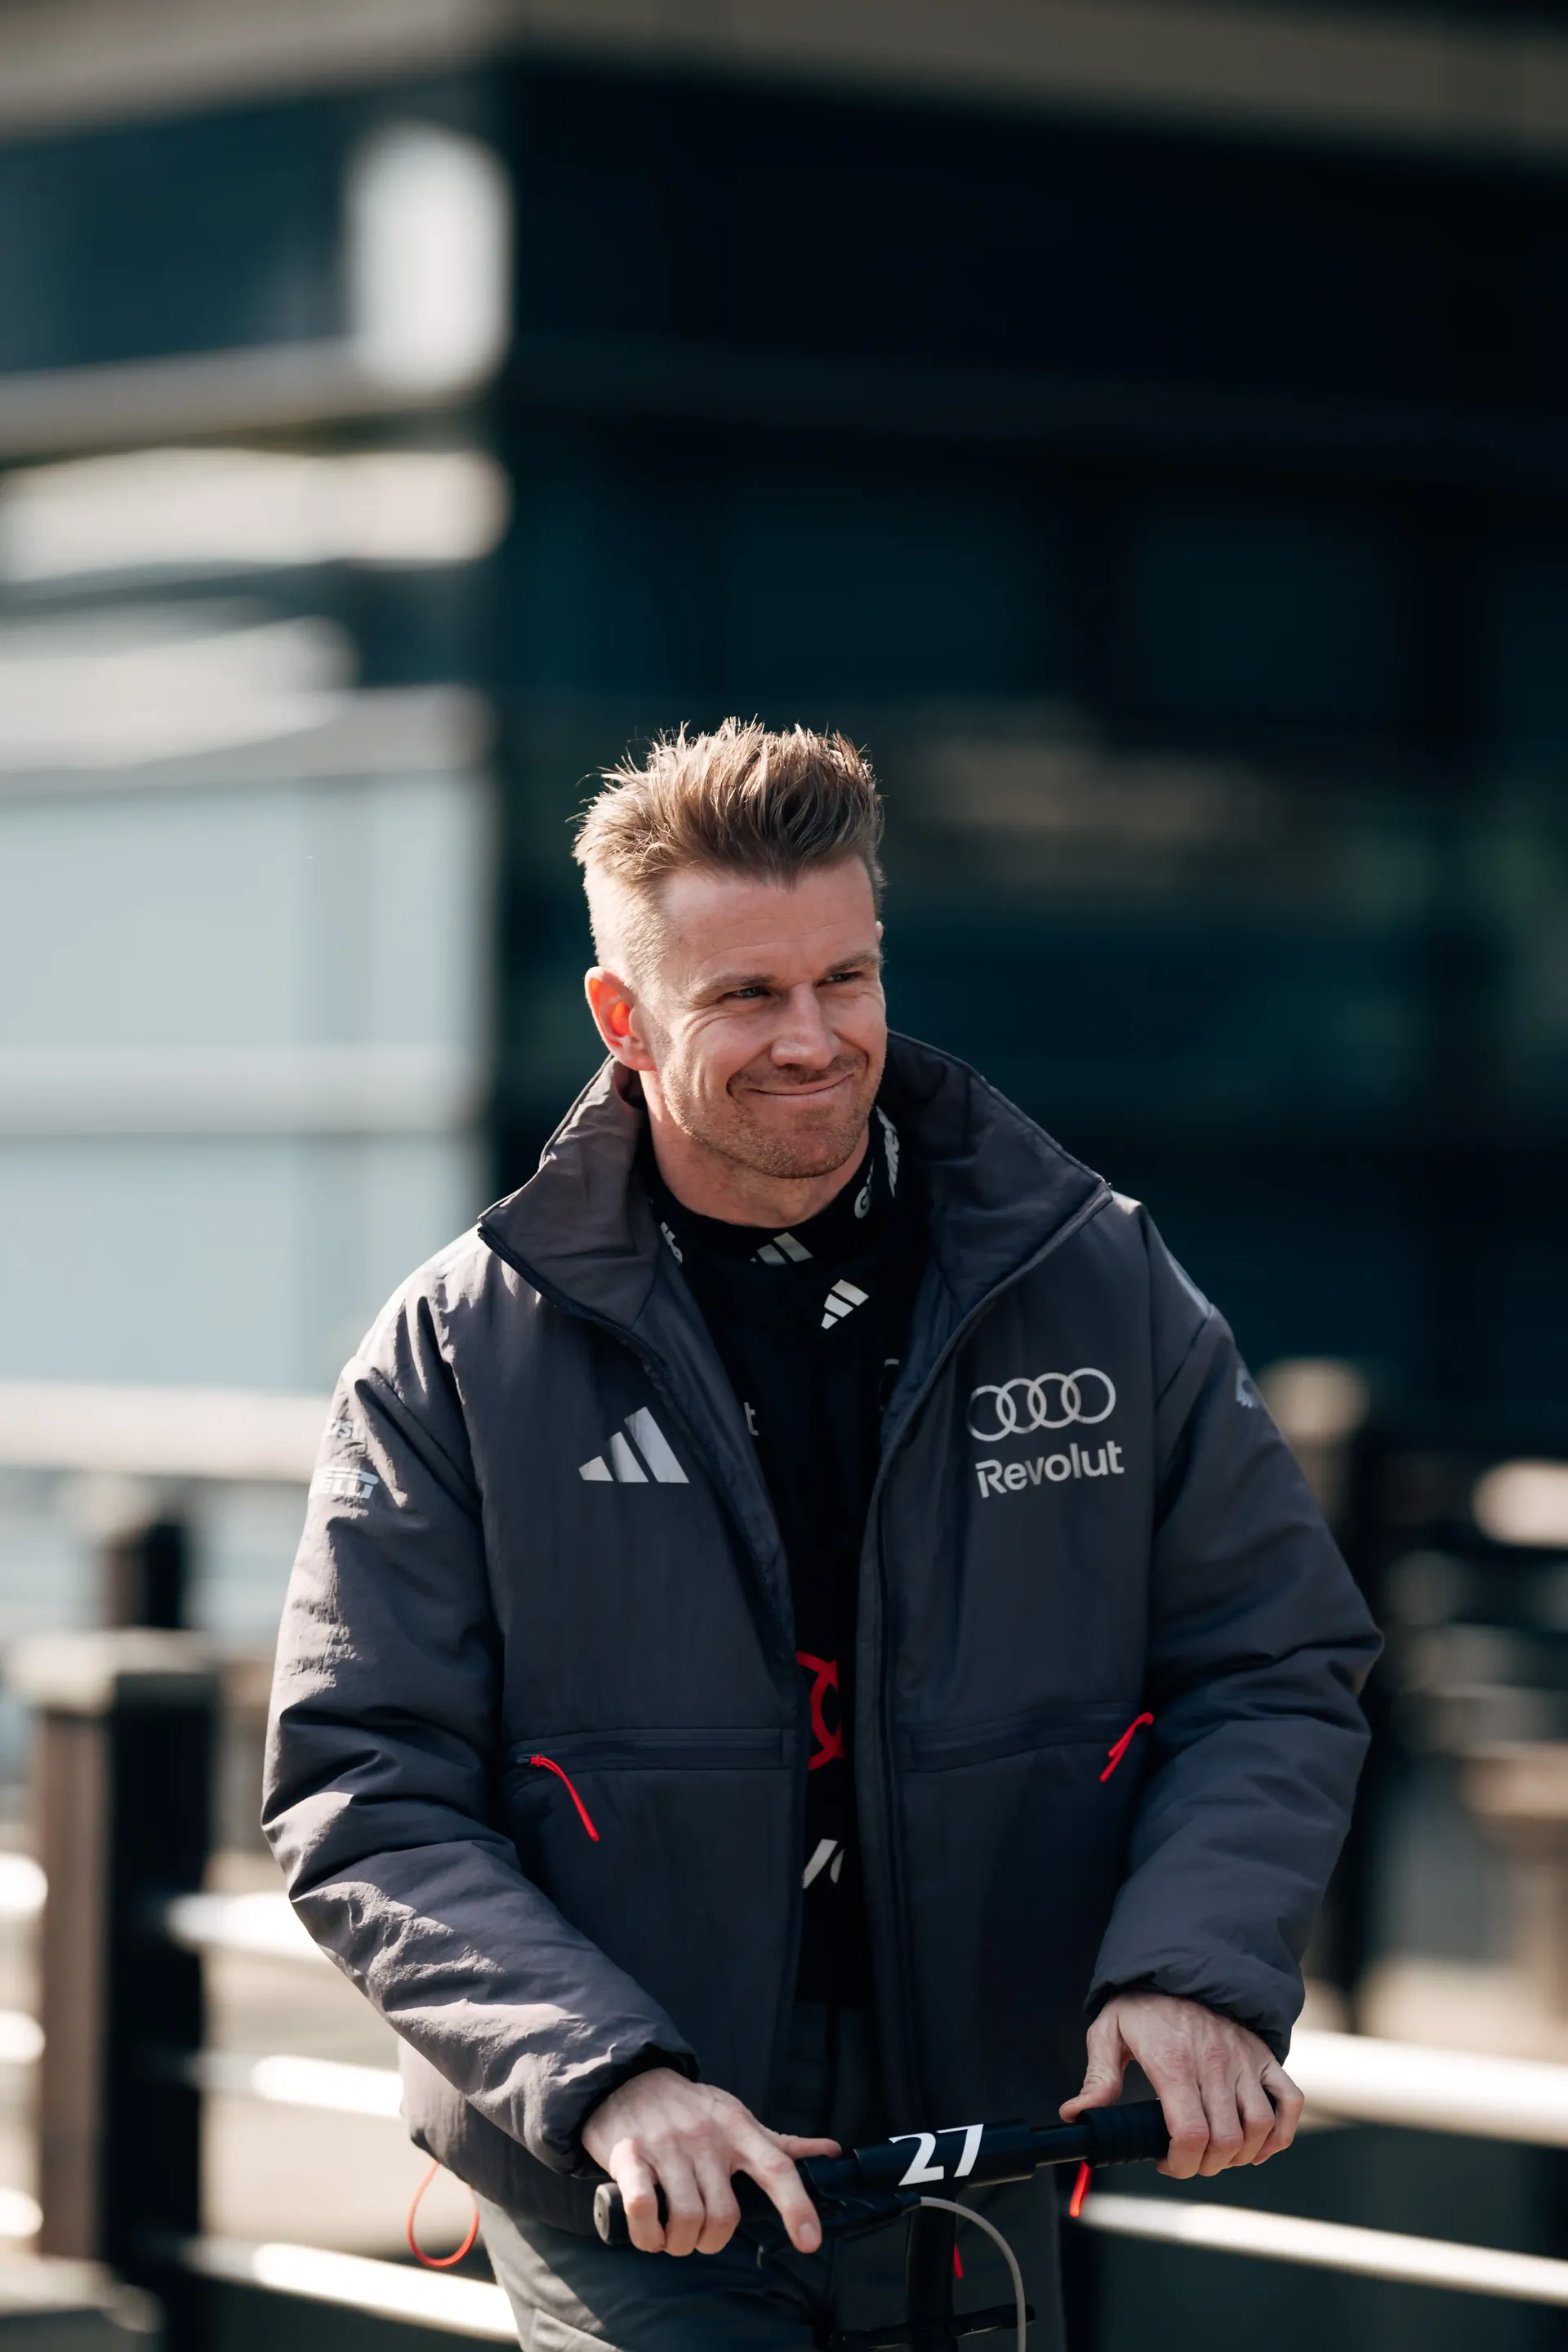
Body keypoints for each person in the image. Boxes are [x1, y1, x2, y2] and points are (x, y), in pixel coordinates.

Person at [263, 721, 1379, 2350]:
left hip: (996, 2129)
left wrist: (1194, 1968)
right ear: (620, 1018)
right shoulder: (457, 1351)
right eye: (744, 995)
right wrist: (609, 2077)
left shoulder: (1092, 1280)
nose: (813, 1039)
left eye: (843, 978)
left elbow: (1274, 1661)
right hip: (635, 2165)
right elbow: (361, 1782)